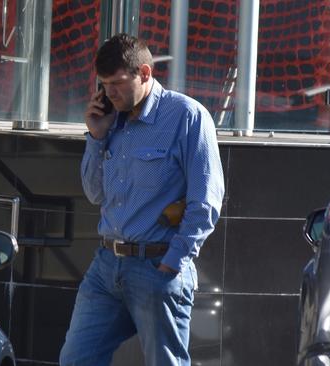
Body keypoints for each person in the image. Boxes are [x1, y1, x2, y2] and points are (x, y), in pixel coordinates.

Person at [59, 33, 225, 366]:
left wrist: (173, 262)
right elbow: (94, 194)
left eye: (117, 83)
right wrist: (96, 136)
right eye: (103, 85)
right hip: (107, 265)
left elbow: (205, 201)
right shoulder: (111, 121)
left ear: (145, 74)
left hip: (157, 266)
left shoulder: (187, 117)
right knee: (76, 359)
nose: (109, 93)